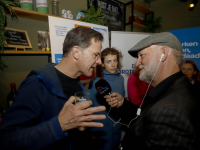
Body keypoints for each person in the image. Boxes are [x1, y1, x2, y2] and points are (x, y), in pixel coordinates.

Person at [0, 27, 107, 150]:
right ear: (76, 52)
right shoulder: (37, 84)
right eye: (96, 55)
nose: (99, 62)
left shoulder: (77, 81)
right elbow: (6, 139)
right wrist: (59, 125)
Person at [104, 32, 199, 150]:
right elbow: (147, 117)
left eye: (141, 56)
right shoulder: (176, 88)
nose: (137, 63)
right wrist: (124, 102)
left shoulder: (170, 112)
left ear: (163, 54)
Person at [88, 47, 125, 150]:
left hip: (117, 124)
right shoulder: (96, 82)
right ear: (102, 64)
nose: (113, 64)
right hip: (101, 127)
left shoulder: (121, 79)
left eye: (115, 60)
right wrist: (92, 129)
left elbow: (123, 99)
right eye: (109, 62)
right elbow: (90, 106)